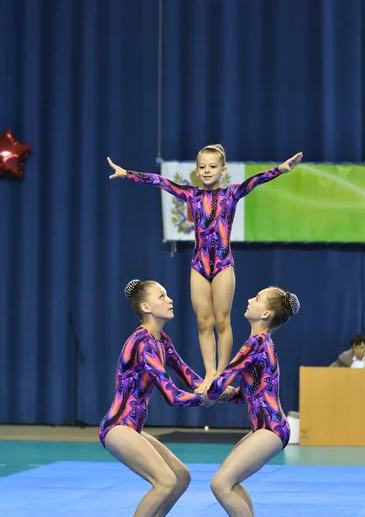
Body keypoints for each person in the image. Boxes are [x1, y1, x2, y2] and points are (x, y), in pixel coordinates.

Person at [107, 147, 303, 388]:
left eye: (212, 166)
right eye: (202, 167)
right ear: (196, 171)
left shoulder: (231, 194)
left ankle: (222, 374)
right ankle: (210, 373)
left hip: (222, 265)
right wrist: (127, 173)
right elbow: (161, 181)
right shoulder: (191, 195)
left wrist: (279, 170)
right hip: (198, 265)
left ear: (223, 170)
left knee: (222, 320)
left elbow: (255, 180)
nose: (207, 171)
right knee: (203, 322)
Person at [99, 279, 212, 517]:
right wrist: (203, 399)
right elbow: (171, 395)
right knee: (164, 481)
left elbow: (186, 374)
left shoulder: (161, 340)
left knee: (181, 476)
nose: (170, 299)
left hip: (132, 427)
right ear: (147, 307)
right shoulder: (142, 342)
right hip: (118, 427)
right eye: (162, 296)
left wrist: (219, 390)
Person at [200, 286, 300, 517]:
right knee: (232, 482)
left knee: (220, 484)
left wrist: (208, 390)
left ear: (265, 313)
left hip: (270, 428)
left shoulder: (256, 343)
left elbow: (224, 376)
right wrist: (229, 394)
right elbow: (254, 390)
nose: (248, 299)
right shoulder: (261, 343)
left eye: (255, 299)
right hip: (266, 426)